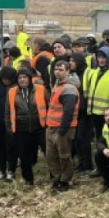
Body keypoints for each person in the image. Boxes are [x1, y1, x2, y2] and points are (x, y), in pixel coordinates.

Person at [5, 68, 48, 185]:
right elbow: (8, 112)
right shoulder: (12, 92)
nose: (22, 80)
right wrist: (9, 128)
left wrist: (48, 125)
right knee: (24, 156)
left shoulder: (40, 89)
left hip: (40, 127)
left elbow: (48, 106)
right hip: (21, 129)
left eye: (25, 77)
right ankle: (28, 179)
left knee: (48, 152)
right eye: (20, 78)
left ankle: (55, 176)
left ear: (30, 79)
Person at [45, 61, 80, 192]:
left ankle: (65, 180)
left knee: (64, 155)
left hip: (63, 128)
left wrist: (62, 130)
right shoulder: (57, 85)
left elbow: (68, 111)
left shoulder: (69, 88)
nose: (57, 71)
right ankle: (57, 178)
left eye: (61, 69)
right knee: (51, 155)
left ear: (67, 71)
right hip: (51, 126)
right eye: (56, 69)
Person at [87, 46, 109, 153]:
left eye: (104, 57)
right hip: (95, 113)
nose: (101, 60)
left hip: (107, 114)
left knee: (108, 140)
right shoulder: (96, 71)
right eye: (99, 57)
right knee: (100, 140)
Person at [70, 53, 94, 175]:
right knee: (77, 140)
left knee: (83, 139)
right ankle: (81, 164)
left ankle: (87, 165)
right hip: (76, 111)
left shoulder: (87, 73)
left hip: (85, 112)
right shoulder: (72, 75)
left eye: (73, 61)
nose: (70, 63)